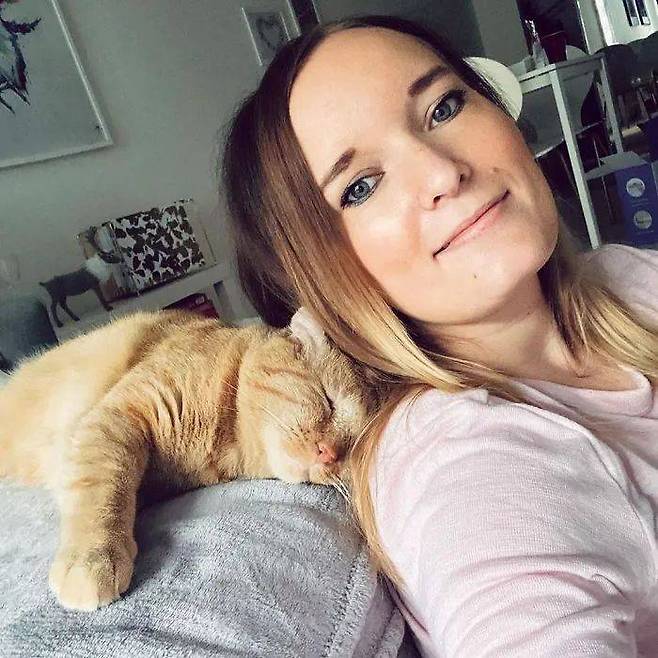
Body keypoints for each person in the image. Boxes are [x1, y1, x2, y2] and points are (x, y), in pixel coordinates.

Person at [221, 14, 658, 657]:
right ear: (320, 278)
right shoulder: (470, 463)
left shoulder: (625, 276)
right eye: (361, 187)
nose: (442, 173)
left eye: (443, 107)